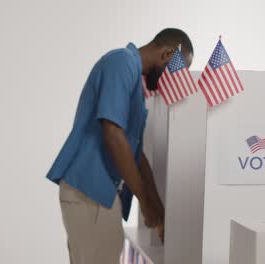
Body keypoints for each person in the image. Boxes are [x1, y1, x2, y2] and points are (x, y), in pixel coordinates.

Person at [46, 28, 194, 264]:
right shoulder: (121, 62)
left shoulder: (135, 80)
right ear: (167, 54)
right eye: (178, 70)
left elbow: (135, 151)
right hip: (90, 192)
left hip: (96, 195)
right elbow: (113, 134)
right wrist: (145, 201)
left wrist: (155, 203)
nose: (176, 79)